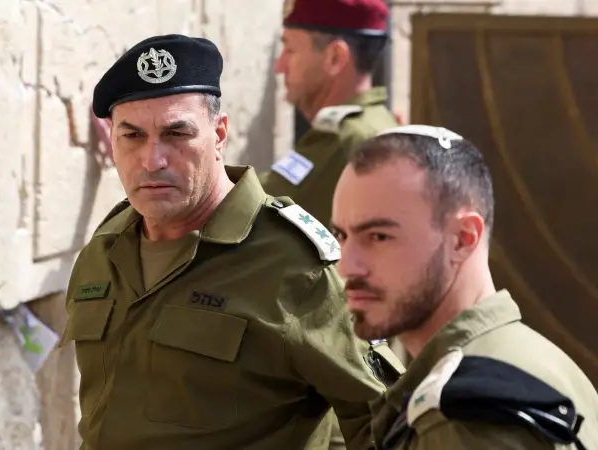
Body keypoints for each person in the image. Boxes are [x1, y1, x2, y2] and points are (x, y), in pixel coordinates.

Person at [59, 33, 404, 450]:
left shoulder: (294, 266)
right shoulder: (105, 249)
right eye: (132, 136)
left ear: (219, 134)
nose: (152, 160)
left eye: (177, 133)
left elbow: (388, 425)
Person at [330, 124, 598, 449]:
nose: (347, 266)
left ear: (462, 239)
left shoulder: (465, 420)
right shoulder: (536, 361)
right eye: (342, 235)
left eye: (379, 237)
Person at [258, 0, 398, 225]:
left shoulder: (346, 138)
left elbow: (254, 208)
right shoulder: (377, 122)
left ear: (335, 58)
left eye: (290, 50)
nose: (280, 66)